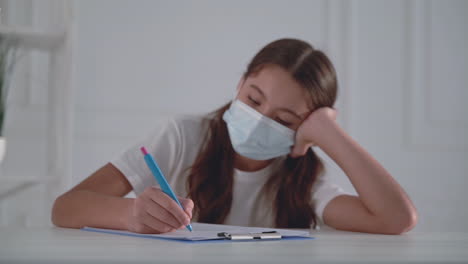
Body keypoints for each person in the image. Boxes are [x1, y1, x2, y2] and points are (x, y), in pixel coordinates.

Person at [51, 38, 417, 235]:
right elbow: (65, 207)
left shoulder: (305, 179)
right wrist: (131, 214)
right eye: (253, 99)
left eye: (284, 119)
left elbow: (396, 219)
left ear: (305, 131)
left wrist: (329, 132)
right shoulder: (183, 136)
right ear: (240, 84)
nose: (258, 120)